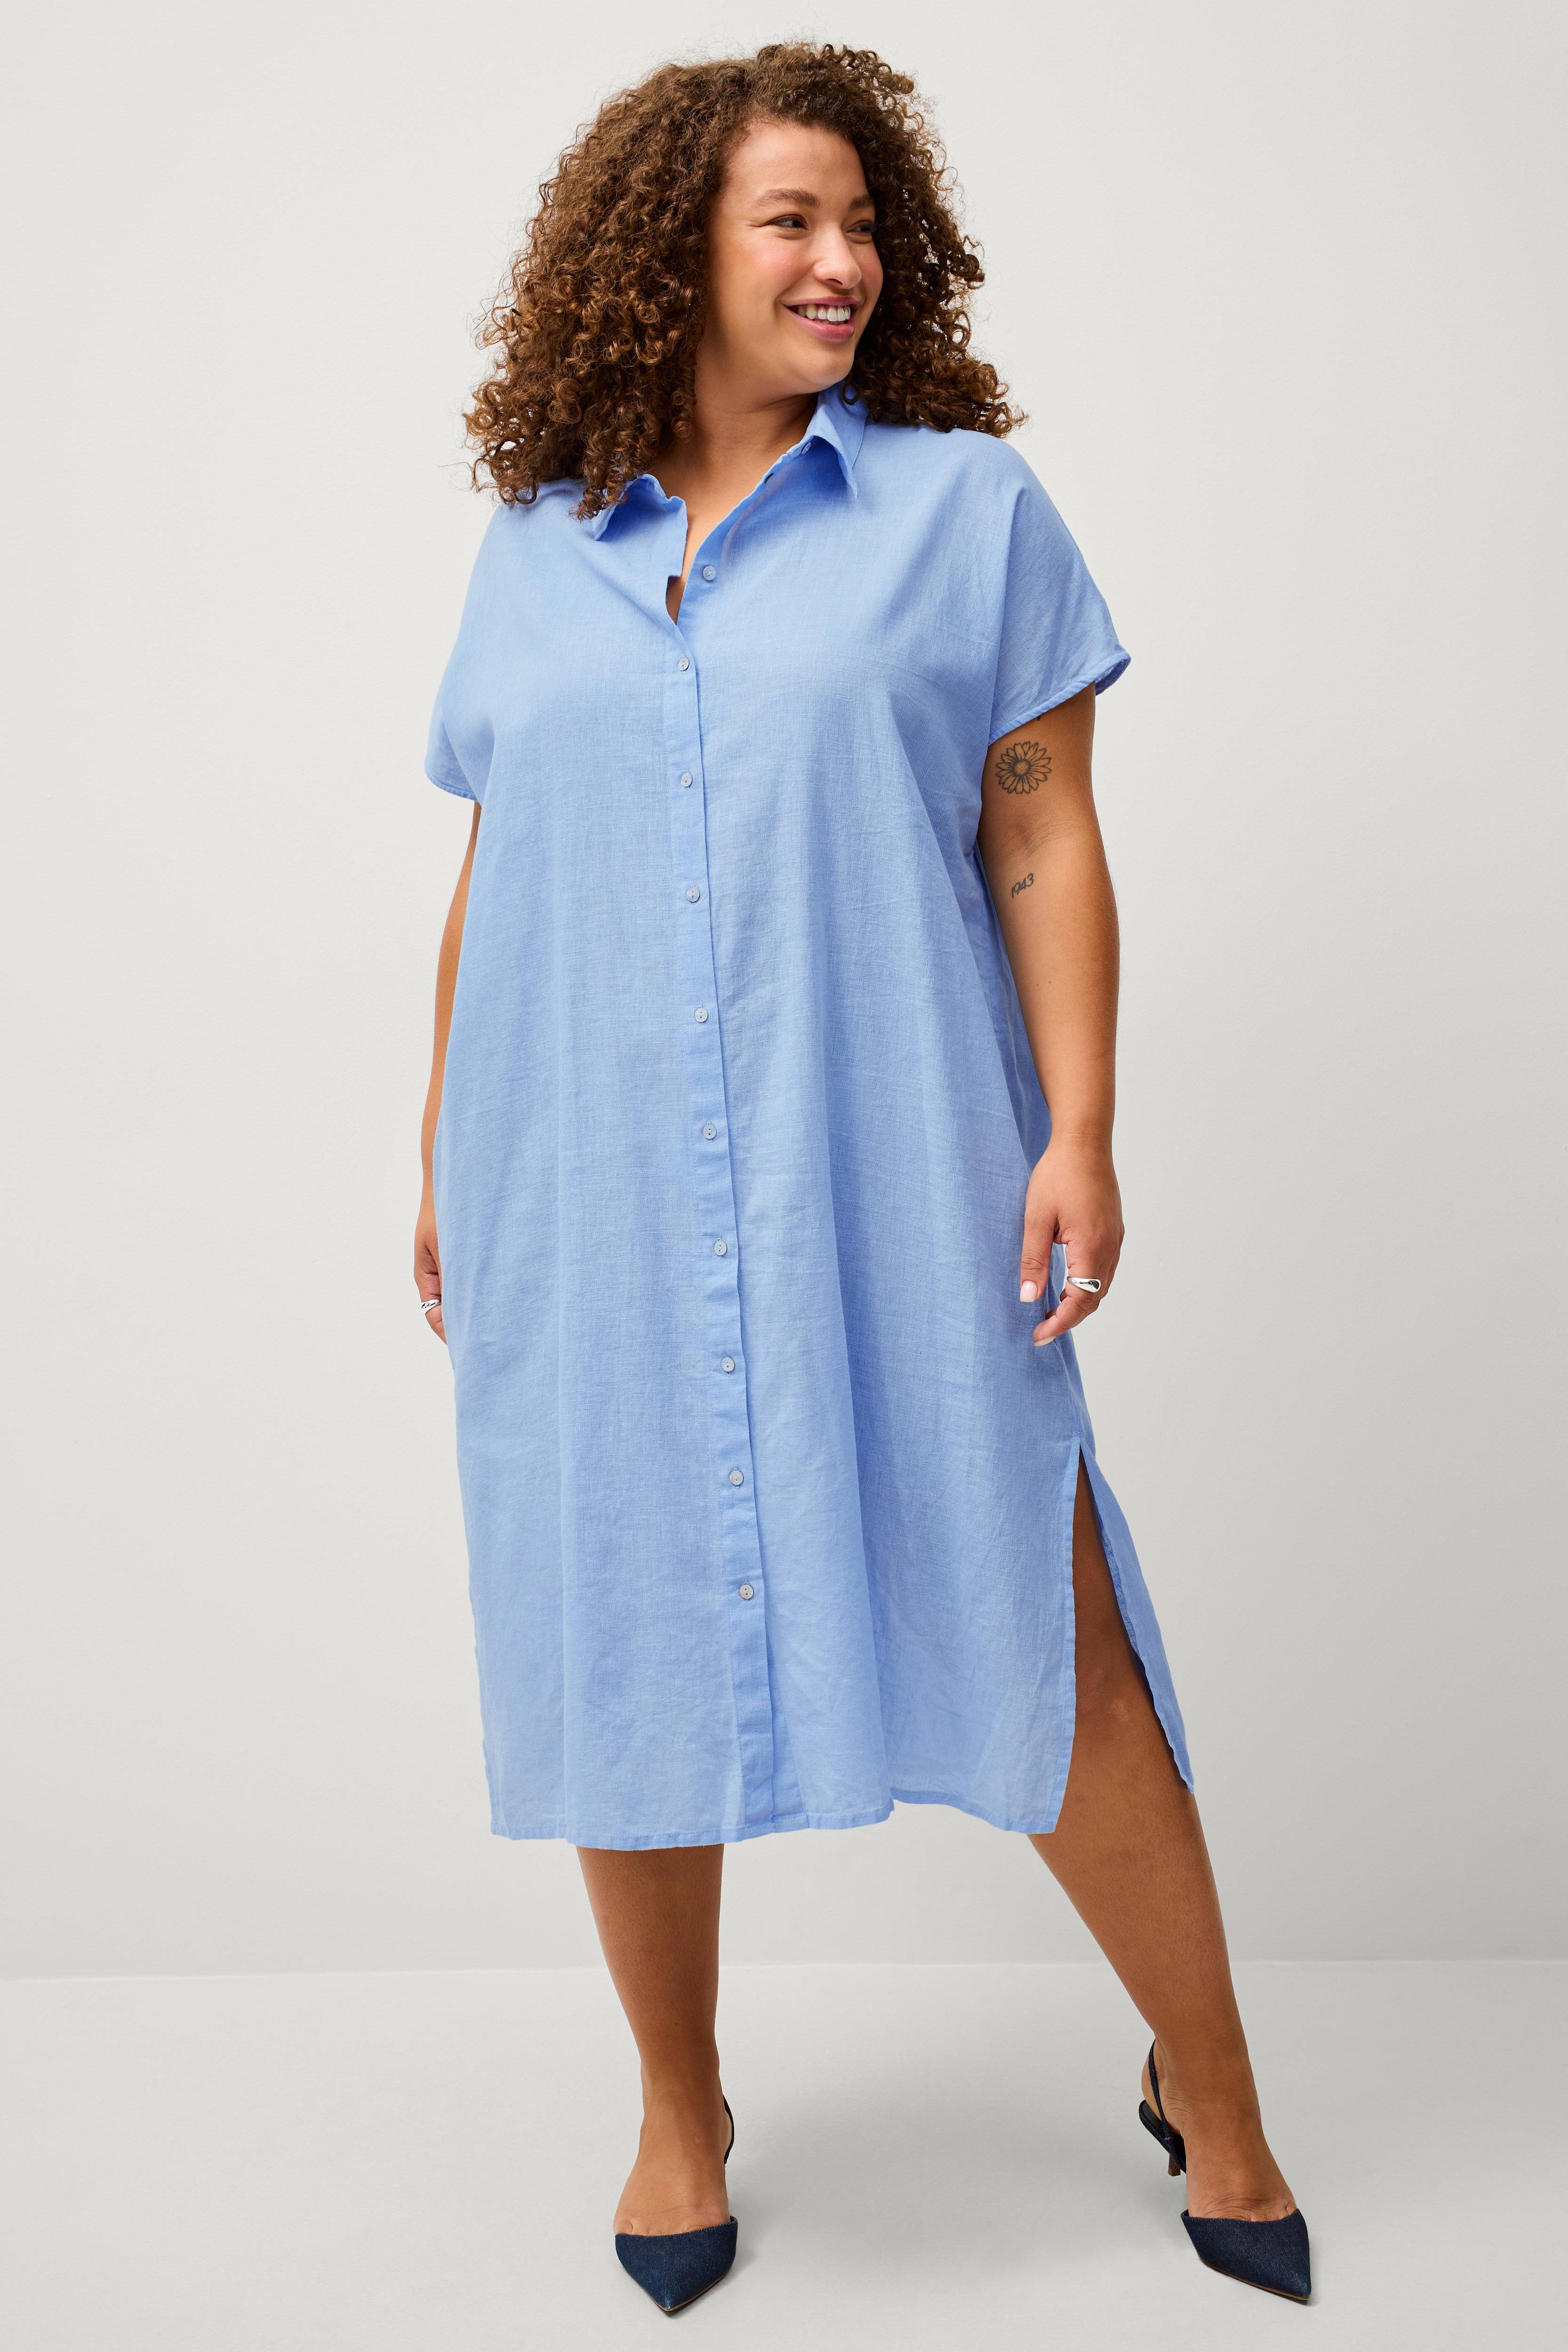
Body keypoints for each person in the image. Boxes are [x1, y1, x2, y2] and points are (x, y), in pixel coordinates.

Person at [415, 41, 1308, 2315]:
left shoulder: (964, 513)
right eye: (790, 221)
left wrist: (1081, 1126)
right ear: (670, 254)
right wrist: (442, 1157)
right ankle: (678, 2101)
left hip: (895, 1150)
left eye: (862, 222)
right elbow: (498, 862)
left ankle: (1213, 2082)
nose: (845, 262)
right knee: (621, 1617)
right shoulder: (534, 550)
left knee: (1037, 1602)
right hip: (583, 1179)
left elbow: (1043, 831)